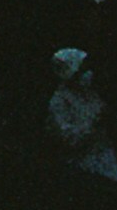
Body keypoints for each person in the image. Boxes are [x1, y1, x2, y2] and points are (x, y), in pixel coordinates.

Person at [47, 48, 117, 182]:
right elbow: (68, 139)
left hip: (105, 156)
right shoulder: (59, 102)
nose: (88, 73)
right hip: (83, 165)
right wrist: (94, 124)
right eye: (83, 70)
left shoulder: (90, 95)